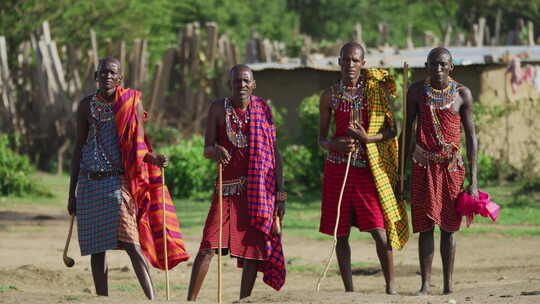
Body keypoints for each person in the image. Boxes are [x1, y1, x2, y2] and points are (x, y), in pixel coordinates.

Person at [67, 56, 189, 299]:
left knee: (132, 243)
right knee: (97, 249)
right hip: (89, 184)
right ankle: (103, 299)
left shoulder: (131, 102)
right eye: (103, 73)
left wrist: (155, 159)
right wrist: (72, 193)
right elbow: (78, 148)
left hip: (117, 182)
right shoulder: (85, 106)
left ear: (120, 77)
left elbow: (140, 144)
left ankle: (152, 298)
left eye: (113, 73)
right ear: (96, 77)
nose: (108, 77)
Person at [187, 64, 286, 301]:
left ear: (253, 84)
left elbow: (274, 154)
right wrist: (216, 150)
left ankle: (243, 301)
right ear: (229, 84)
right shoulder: (218, 109)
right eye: (236, 81)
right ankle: (190, 301)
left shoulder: (263, 109)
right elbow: (206, 149)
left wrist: (280, 195)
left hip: (259, 193)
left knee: (252, 251)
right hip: (227, 191)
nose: (240, 85)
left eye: (245, 81)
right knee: (208, 246)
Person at [318, 42, 409, 294]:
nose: (350, 65)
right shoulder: (330, 95)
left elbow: (393, 130)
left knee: (379, 231)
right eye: (345, 60)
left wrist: (369, 139)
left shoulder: (374, 93)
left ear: (363, 64)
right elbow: (321, 139)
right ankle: (349, 291)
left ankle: (391, 287)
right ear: (339, 62)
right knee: (341, 234)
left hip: (367, 170)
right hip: (338, 170)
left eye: (355, 61)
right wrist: (335, 145)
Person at [403, 47, 478, 295]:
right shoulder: (415, 92)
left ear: (451, 67)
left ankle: (447, 285)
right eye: (433, 65)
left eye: (443, 65)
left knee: (449, 228)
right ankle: (424, 285)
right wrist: (401, 172)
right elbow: (407, 134)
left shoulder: (462, 94)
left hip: (451, 169)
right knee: (425, 227)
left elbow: (471, 137)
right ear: (426, 66)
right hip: (423, 167)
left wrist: (474, 182)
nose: (438, 70)